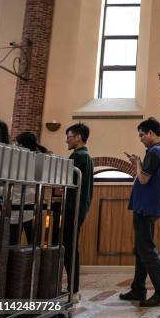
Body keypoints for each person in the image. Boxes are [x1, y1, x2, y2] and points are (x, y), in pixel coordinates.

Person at [119, 117, 160, 307]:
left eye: (142, 135)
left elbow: (142, 179)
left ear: (150, 133)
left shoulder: (155, 152)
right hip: (148, 205)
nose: (140, 138)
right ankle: (138, 288)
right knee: (141, 249)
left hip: (146, 206)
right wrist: (139, 161)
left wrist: (137, 163)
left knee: (147, 248)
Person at [63, 123, 94, 302]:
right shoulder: (86, 156)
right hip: (78, 208)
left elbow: (67, 182)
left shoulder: (78, 156)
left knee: (70, 248)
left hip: (72, 208)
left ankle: (73, 289)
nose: (66, 139)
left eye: (69, 136)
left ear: (78, 137)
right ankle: (72, 288)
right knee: (70, 246)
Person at [5, 132, 48, 245]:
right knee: (34, 245)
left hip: (17, 206)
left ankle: (13, 263)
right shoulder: (40, 159)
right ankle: (33, 262)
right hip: (34, 207)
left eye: (17, 143)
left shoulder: (16, 161)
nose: (15, 146)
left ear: (22, 145)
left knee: (12, 244)